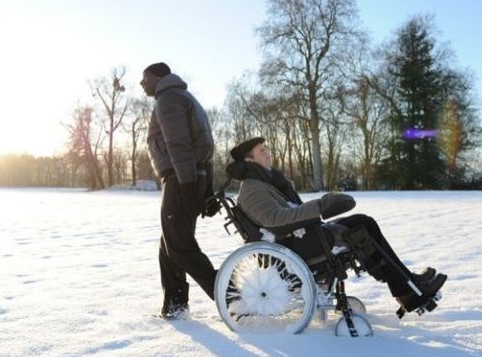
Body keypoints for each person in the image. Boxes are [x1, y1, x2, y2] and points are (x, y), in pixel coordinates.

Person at [226, 137, 447, 316]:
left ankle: (407, 285)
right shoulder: (252, 188)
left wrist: (321, 208)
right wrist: (320, 206)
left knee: (363, 222)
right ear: (249, 160)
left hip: (299, 238)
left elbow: (286, 214)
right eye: (262, 151)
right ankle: (407, 289)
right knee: (359, 229)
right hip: (292, 247)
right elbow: (274, 219)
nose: (268, 153)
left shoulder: (265, 182)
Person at [141, 62, 220, 320]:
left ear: (159, 77)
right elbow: (205, 147)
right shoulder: (184, 97)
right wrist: (206, 187)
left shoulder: (168, 99)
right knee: (169, 245)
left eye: (146, 78)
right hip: (188, 178)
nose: (142, 84)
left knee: (179, 246)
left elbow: (179, 145)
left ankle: (230, 296)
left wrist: (187, 186)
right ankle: (175, 306)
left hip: (180, 179)